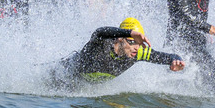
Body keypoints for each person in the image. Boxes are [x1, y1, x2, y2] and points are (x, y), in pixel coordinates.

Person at [50, 18, 185, 89]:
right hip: (62, 75)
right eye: (132, 42)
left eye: (139, 43)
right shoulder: (100, 45)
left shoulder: (136, 53)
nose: (136, 48)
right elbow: (100, 31)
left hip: (81, 84)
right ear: (120, 38)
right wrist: (130, 33)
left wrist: (176, 60)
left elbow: (167, 56)